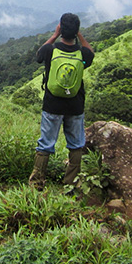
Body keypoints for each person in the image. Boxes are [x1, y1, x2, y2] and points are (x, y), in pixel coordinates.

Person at [28, 13, 95, 190]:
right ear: (77, 31)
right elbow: (91, 53)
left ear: (60, 28)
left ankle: (36, 183)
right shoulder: (82, 53)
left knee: (45, 143)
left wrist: (54, 35)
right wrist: (80, 35)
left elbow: (38, 55)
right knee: (76, 145)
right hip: (75, 104)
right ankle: (71, 184)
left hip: (52, 104)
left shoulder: (51, 50)